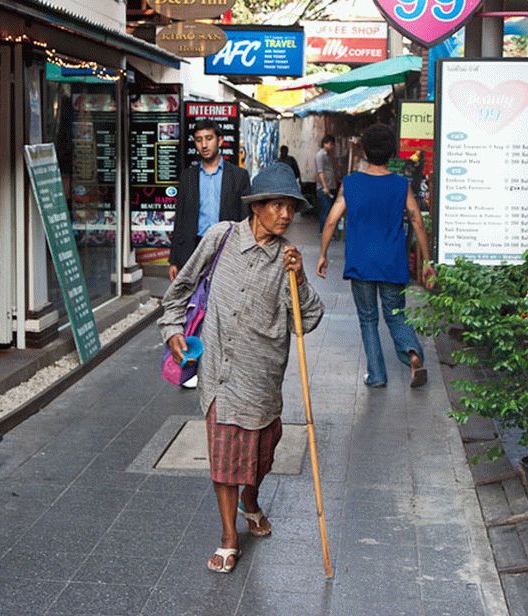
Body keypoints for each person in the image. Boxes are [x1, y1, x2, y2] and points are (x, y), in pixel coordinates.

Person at [159, 163, 324, 574]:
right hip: (220, 374)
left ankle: (252, 500)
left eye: (290, 207)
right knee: (225, 457)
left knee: (261, 454)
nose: (285, 215)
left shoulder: (286, 260)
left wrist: (299, 278)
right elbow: (180, 289)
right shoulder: (221, 237)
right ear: (256, 207)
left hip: (262, 376)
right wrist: (172, 327)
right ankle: (229, 536)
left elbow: (311, 318)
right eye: (276, 205)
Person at [317, 124, 435, 389]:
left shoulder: (351, 183)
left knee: (368, 319)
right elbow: (416, 221)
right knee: (395, 314)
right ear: (391, 152)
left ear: (365, 152)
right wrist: (427, 261)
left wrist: (323, 253)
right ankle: (412, 354)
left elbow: (331, 221)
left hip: (362, 263)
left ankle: (377, 375)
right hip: (392, 262)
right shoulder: (400, 185)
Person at [169, 119, 250, 282]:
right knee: (193, 301)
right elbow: (180, 219)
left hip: (226, 247)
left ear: (220, 140)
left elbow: (246, 220)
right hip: (193, 248)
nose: (204, 145)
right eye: (199, 140)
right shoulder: (188, 177)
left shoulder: (238, 176)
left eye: (209, 138)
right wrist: (174, 260)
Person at [314, 135, 337, 233]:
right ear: (325, 143)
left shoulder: (327, 155)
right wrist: (325, 187)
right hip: (324, 188)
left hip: (329, 186)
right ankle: (324, 231)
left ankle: (324, 231)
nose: (332, 146)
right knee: (326, 210)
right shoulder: (320, 155)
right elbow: (320, 172)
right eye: (331, 144)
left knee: (326, 210)